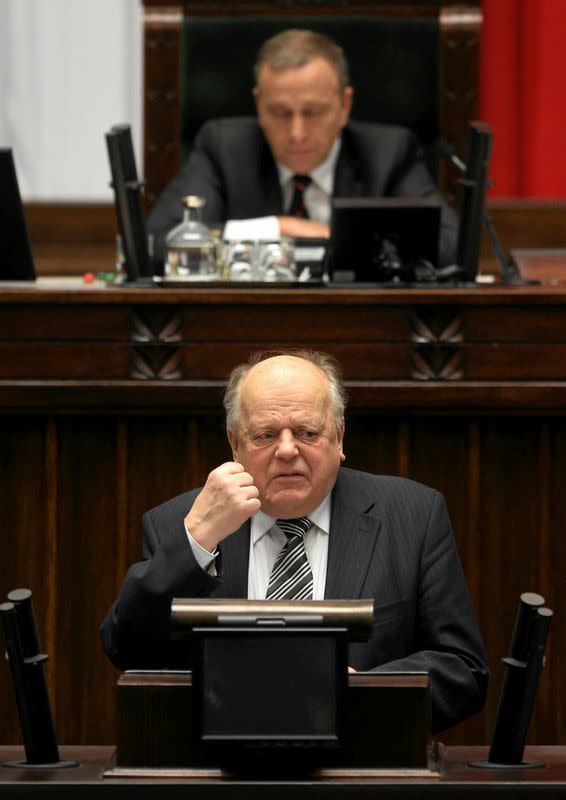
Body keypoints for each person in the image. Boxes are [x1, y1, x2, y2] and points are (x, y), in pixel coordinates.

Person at [101, 349, 488, 734]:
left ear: (338, 435)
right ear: (235, 443)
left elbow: (463, 669)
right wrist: (196, 542)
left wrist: (367, 693)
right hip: (222, 775)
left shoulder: (413, 515)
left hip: (363, 773)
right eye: (266, 435)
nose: (287, 451)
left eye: (307, 433)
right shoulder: (180, 523)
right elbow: (128, 651)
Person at [147, 29, 459, 267]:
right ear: (259, 105)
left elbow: (450, 245)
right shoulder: (224, 147)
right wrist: (279, 227)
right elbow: (156, 244)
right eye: (281, 113)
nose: (297, 133)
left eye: (313, 113)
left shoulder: (388, 152)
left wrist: (339, 239)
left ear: (344, 106)